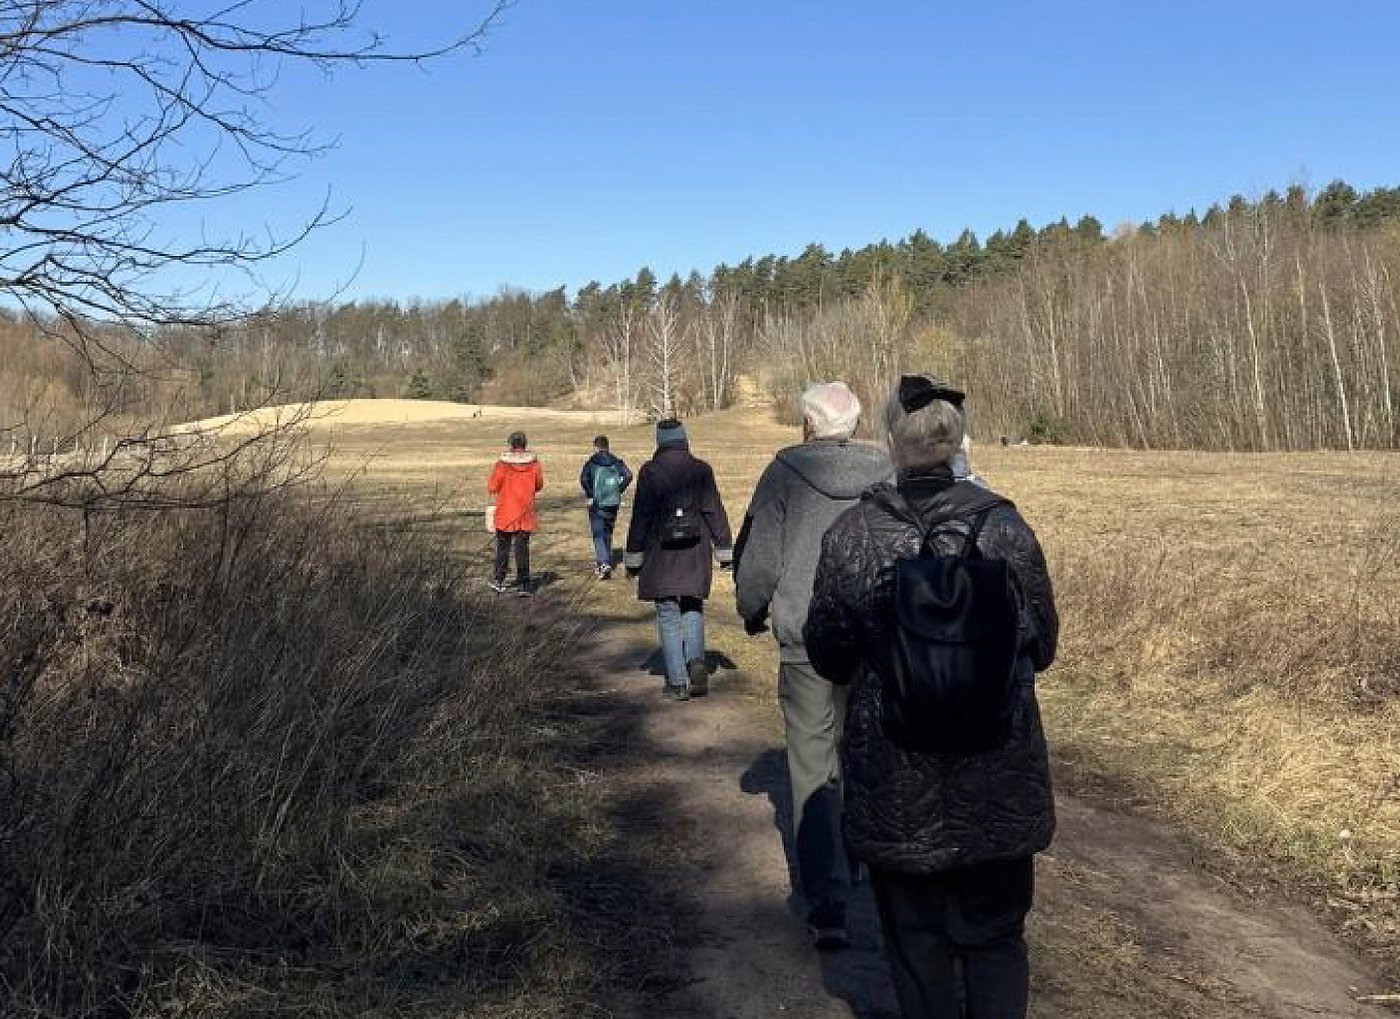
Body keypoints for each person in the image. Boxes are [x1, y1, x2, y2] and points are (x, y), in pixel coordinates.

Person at [803, 374, 1059, 1019]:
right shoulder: (1005, 528)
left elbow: (828, 654)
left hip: (896, 784)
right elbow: (1043, 645)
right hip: (997, 778)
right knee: (997, 942)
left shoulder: (855, 535)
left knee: (916, 951)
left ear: (892, 443)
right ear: (956, 445)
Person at [733, 381, 892, 949]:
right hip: (872, 636)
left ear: (807, 423)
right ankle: (856, 861)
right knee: (858, 751)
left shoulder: (784, 474)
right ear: (853, 424)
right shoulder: (886, 473)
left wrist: (751, 609)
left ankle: (827, 902)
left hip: (805, 639)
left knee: (811, 764)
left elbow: (758, 559)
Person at [624, 418, 733, 701]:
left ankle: (677, 683)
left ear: (659, 441)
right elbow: (714, 510)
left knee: (668, 614)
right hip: (695, 553)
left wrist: (633, 557)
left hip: (661, 556)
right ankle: (696, 660)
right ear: (684, 439)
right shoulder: (701, 470)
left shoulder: (650, 472)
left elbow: (641, 517)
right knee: (693, 606)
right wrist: (724, 548)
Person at [487, 430, 544, 595]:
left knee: (503, 548)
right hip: (525, 513)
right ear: (525, 445)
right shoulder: (534, 464)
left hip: (505, 513)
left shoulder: (502, 465)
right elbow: (539, 485)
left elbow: (492, 486)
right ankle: (524, 584)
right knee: (522, 550)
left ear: (511, 445)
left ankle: (498, 579)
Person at [579, 435, 633, 579]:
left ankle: (603, 563)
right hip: (613, 502)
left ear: (596, 447)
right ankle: (605, 560)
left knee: (598, 533)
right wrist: (618, 490)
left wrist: (590, 494)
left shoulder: (592, 462)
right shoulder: (617, 462)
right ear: (608, 446)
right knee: (608, 531)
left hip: (597, 502)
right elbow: (628, 475)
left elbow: (583, 479)